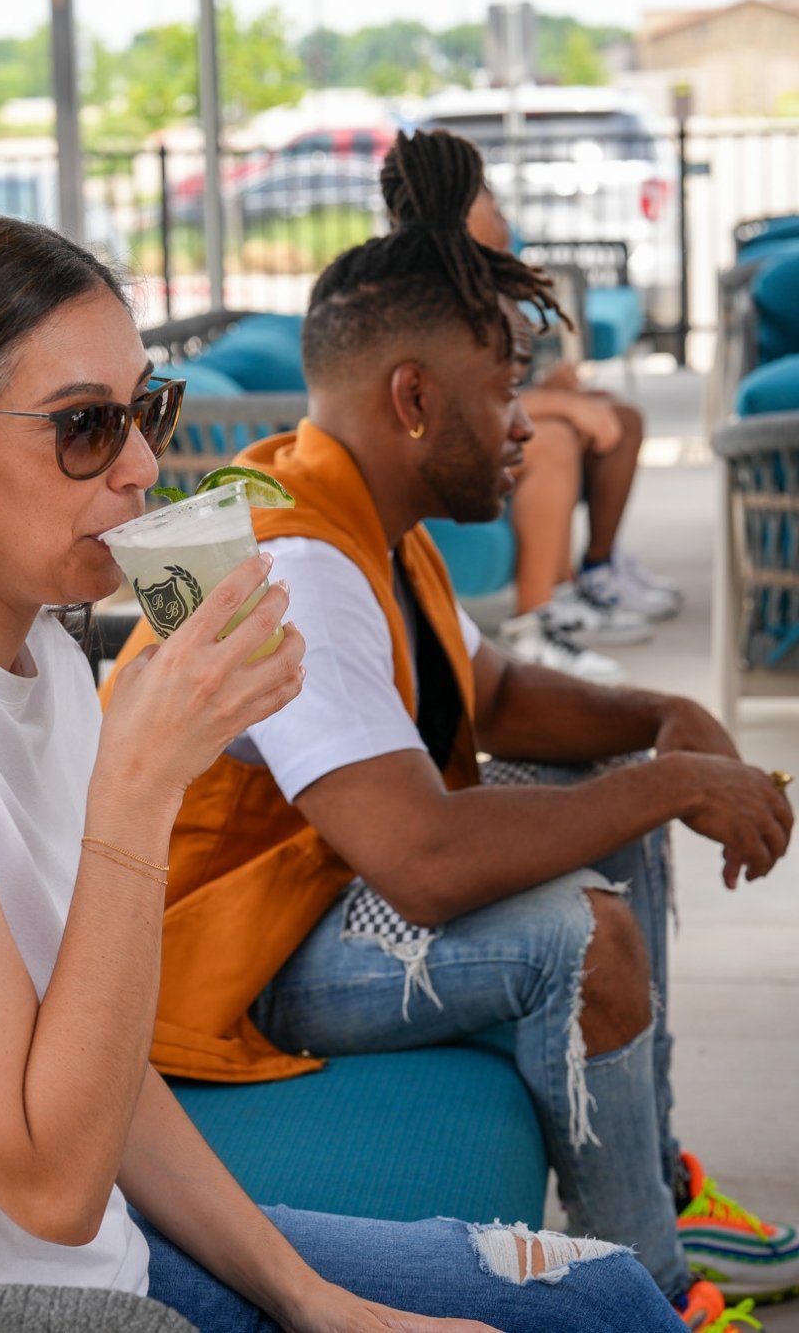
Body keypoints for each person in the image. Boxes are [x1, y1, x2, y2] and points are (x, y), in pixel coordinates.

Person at [0, 213, 680, 1333]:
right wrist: (139, 790)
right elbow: (53, 1186)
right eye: (84, 427)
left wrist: (309, 1297)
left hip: (89, 1266)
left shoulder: (37, 653)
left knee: (603, 1296)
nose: (141, 466)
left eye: (146, 409)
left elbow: (110, 1079)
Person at [105, 135, 797, 1332]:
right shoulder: (295, 561)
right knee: (580, 935)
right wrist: (674, 777)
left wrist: (660, 722)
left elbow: (498, 697)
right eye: (505, 386)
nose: (527, 422)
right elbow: (420, 865)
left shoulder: (361, 508)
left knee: (610, 789)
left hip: (300, 891)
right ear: (414, 399)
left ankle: (660, 1185)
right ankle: (650, 1287)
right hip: (213, 954)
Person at [459, 168, 681, 677]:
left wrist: (553, 392)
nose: (504, 219)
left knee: (616, 414)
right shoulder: (438, 292)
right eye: (492, 208)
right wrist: (557, 407)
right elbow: (466, 402)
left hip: (482, 426)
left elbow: (496, 383)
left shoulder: (487, 280)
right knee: (554, 438)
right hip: (451, 443)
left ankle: (593, 574)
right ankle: (534, 625)